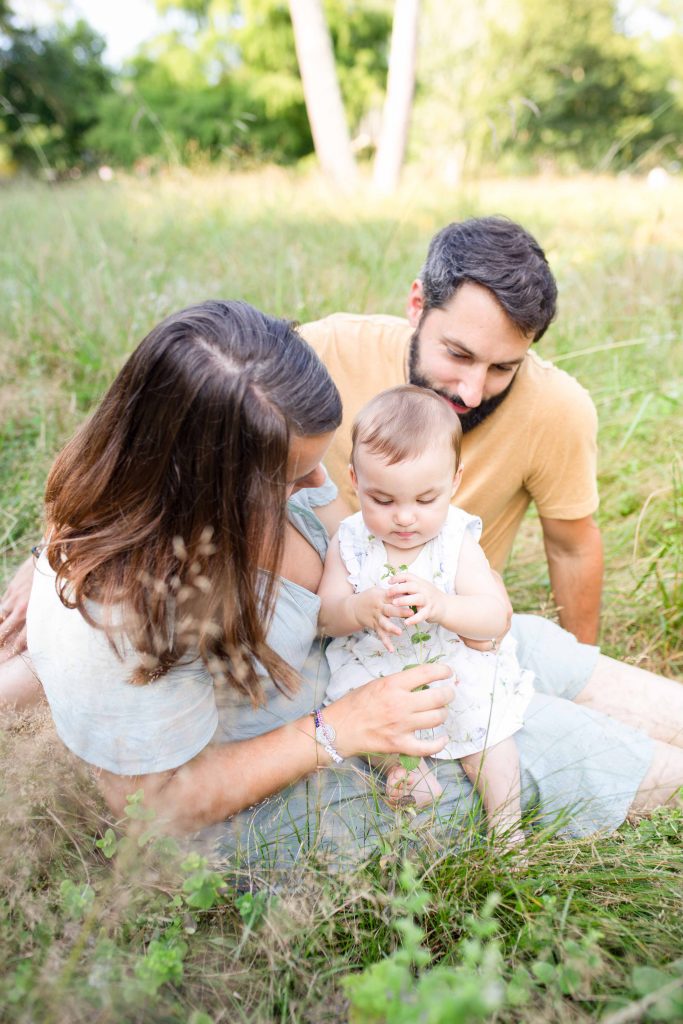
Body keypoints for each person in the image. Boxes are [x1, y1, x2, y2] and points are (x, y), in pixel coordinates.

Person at [0, 299, 681, 868]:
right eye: (290, 478)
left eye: (321, 459)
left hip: (371, 662)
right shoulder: (122, 608)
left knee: (529, 647)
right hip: (293, 786)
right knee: (556, 748)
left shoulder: (247, 467)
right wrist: (342, 728)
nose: (322, 485)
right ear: (202, 483)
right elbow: (153, 807)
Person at [299, 215, 683, 750]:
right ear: (417, 304)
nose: (472, 392)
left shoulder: (556, 408)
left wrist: (575, 660)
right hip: (332, 652)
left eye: (503, 368)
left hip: (470, 629)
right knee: (613, 761)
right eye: (458, 355)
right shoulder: (324, 352)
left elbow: (571, 547)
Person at [319, 387, 534, 847]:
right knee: (360, 716)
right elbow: (324, 617)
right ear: (354, 480)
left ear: (454, 481)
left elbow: (493, 616)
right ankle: (400, 769)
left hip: (448, 668)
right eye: (382, 500)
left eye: (424, 499)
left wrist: (443, 605)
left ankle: (507, 828)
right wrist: (357, 608)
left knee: (489, 735)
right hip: (379, 668)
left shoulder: (454, 539)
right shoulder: (350, 541)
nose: (404, 517)